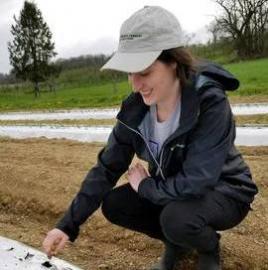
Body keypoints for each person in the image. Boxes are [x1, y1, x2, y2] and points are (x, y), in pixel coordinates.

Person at [42, 6, 258, 270]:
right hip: (174, 191)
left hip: (225, 191)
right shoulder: (136, 112)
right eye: (129, 72)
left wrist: (145, 187)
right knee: (116, 204)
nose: (135, 84)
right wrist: (66, 225)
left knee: (176, 218)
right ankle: (177, 244)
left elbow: (198, 180)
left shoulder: (209, 101)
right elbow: (107, 168)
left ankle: (209, 247)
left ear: (174, 62)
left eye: (143, 71)